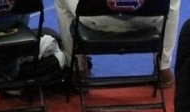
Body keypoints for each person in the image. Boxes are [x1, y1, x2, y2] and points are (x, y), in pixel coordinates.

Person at [54, 0, 182, 88]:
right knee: (172, 2)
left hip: (97, 17)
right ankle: (163, 67)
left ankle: (78, 69)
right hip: (146, 16)